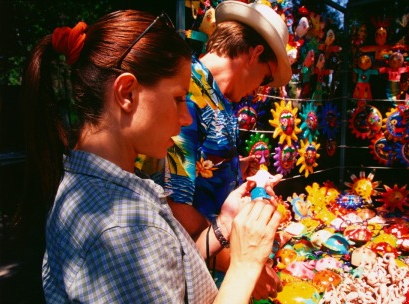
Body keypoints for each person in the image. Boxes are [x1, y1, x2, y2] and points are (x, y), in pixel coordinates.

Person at [21, 9, 282, 303]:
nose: (186, 117)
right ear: (127, 93)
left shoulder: (102, 189)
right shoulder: (121, 229)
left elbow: (169, 269)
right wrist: (245, 265)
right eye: (178, 98)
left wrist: (222, 225)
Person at [135, 1, 292, 298]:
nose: (262, 88)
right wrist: (238, 264)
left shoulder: (216, 95)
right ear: (254, 53)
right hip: (201, 271)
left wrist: (233, 168)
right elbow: (174, 206)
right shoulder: (188, 94)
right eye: (267, 76)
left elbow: (196, 170)